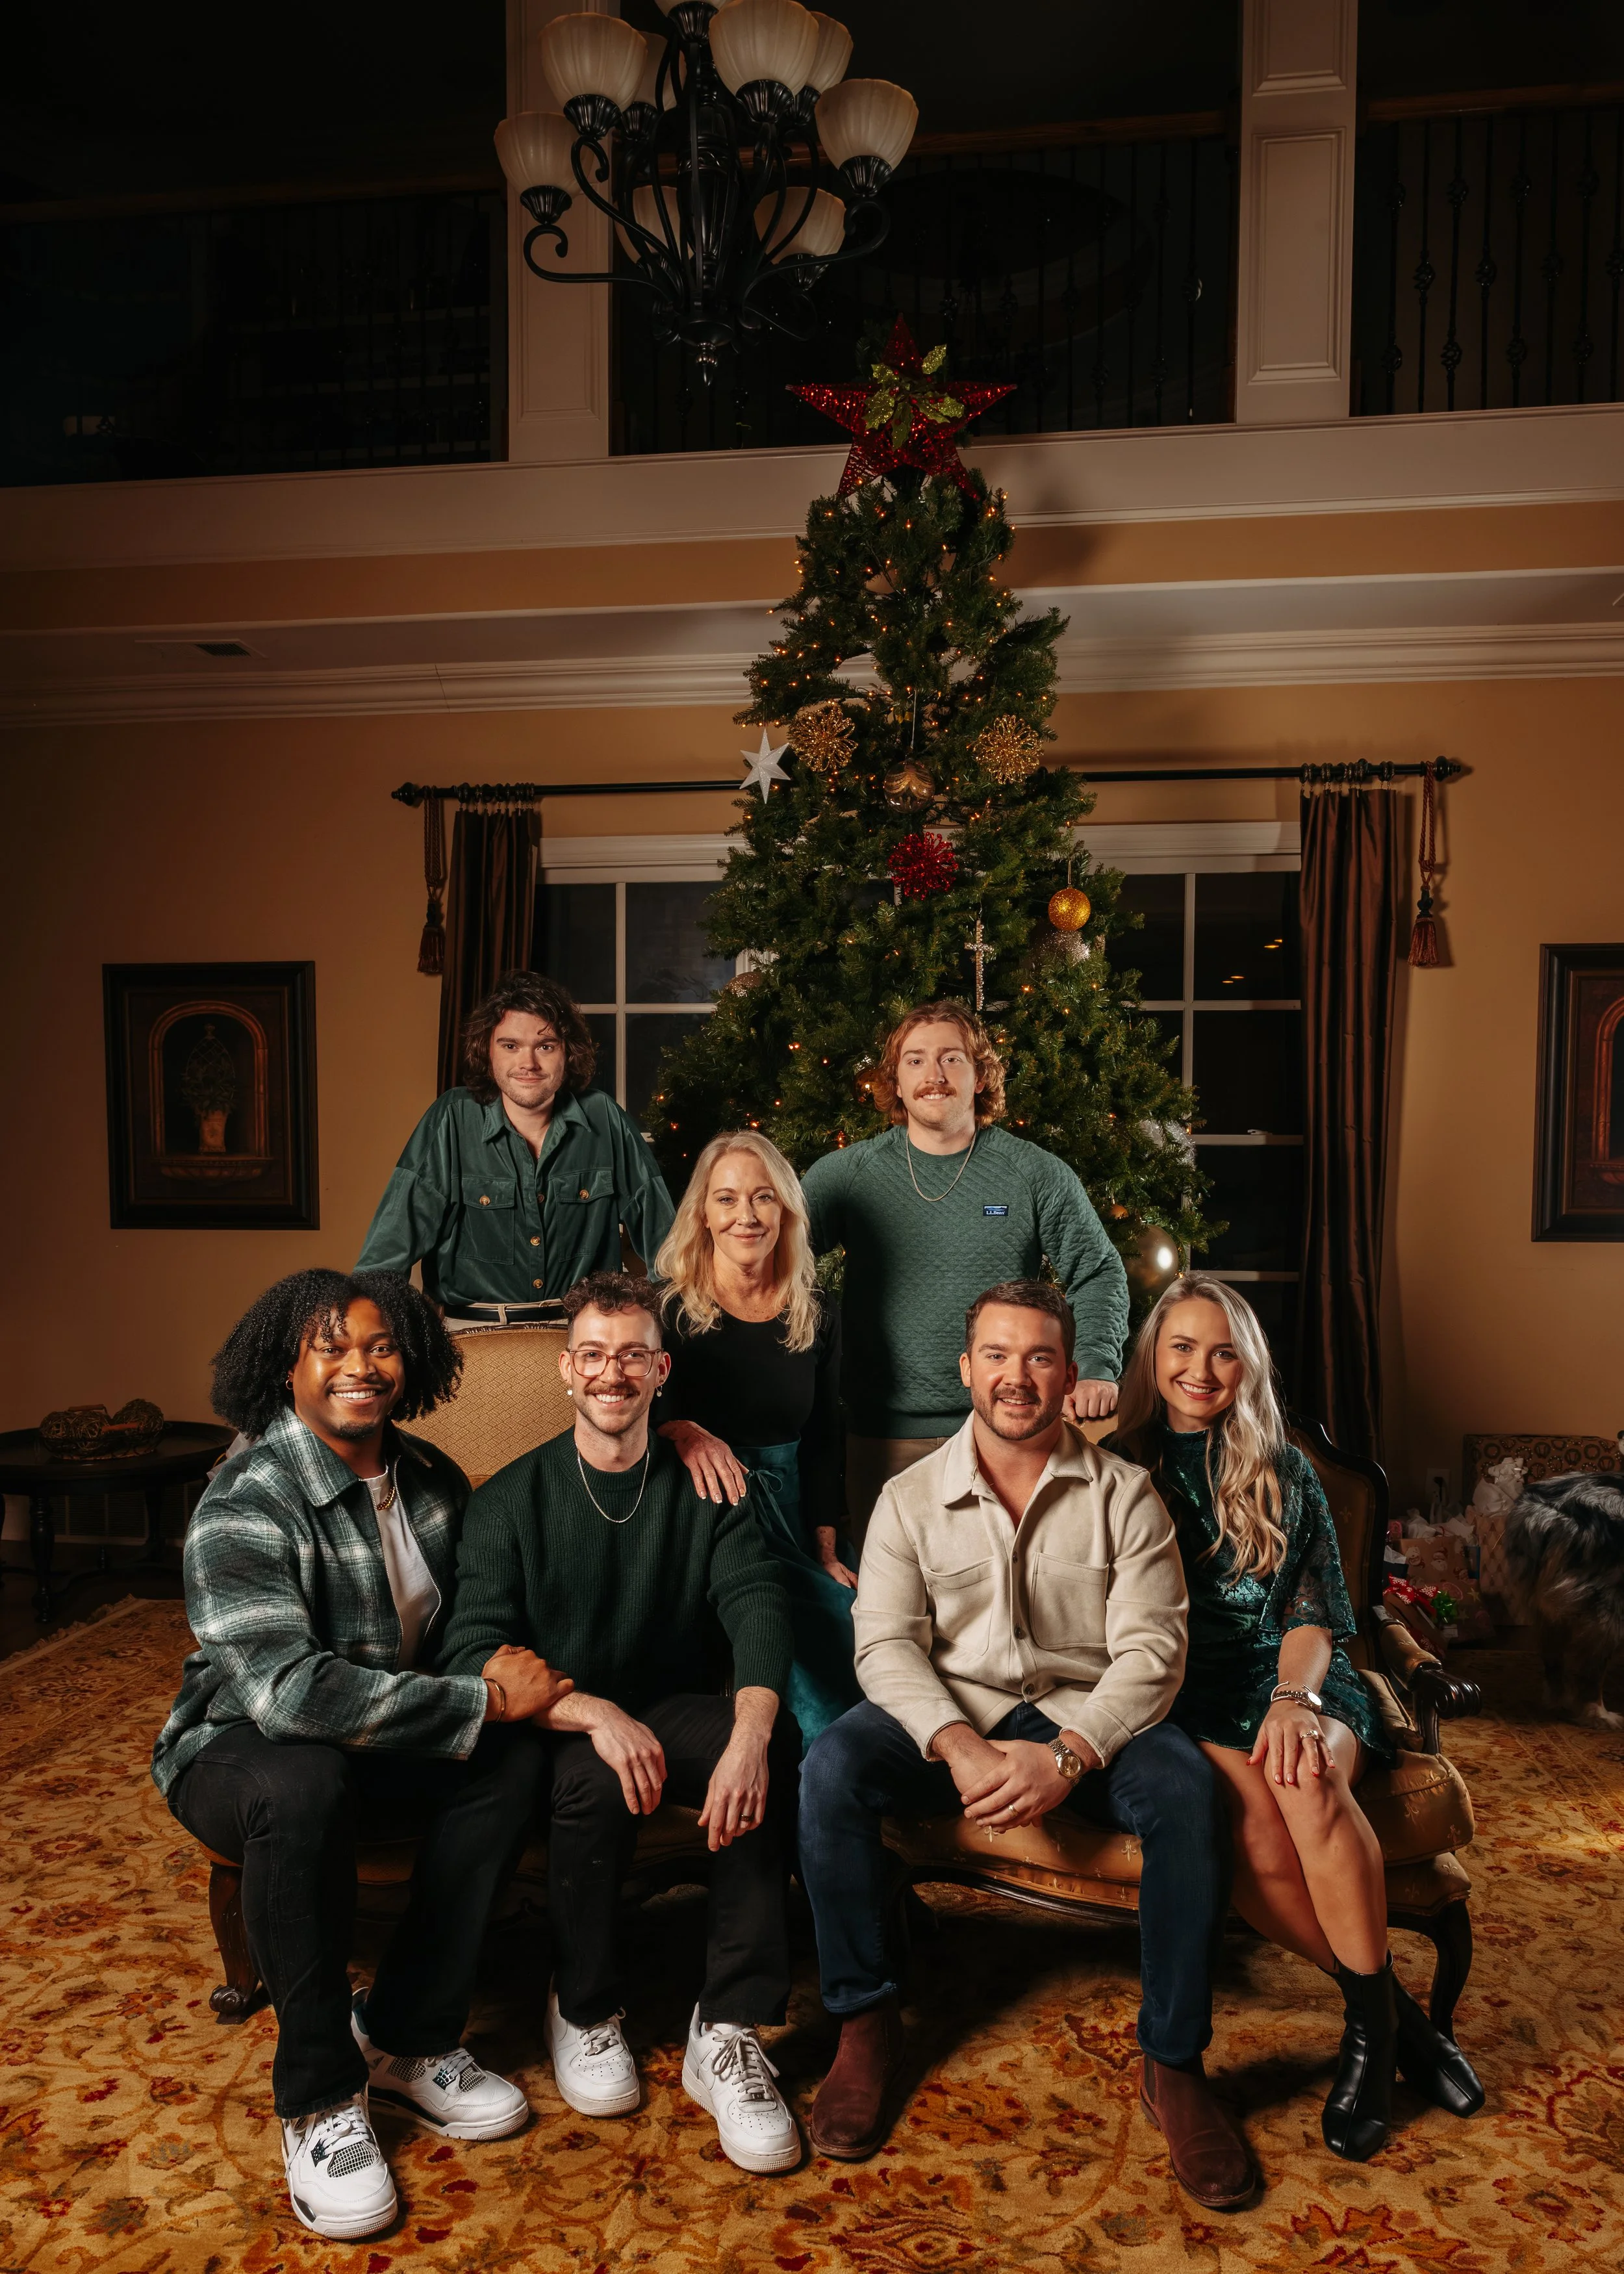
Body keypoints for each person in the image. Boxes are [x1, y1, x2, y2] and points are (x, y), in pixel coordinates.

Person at [797, 1279, 1255, 2210]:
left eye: (1039, 1357)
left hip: (1089, 1722)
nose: (1018, 1378)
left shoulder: (1126, 1497)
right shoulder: (909, 1498)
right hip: (950, 1717)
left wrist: (1072, 1753)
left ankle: (1174, 2063)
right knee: (831, 1767)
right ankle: (866, 2021)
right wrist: (958, 1744)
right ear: (967, 1369)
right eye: (998, 1356)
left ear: (1068, 1373)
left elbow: (1155, 1653)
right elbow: (883, 1646)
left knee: (1186, 1793)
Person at [153, 1270, 572, 2242]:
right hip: (240, 1751)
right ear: (284, 1368)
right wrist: (477, 1699)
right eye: (330, 1347)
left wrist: (502, 1695)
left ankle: (405, 2036)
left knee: (510, 1759)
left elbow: (477, 1618)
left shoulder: (429, 1479)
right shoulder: (242, 1499)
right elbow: (288, 1695)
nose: (360, 1366)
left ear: (410, 1359)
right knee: (303, 1781)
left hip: (384, 1733)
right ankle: (317, 2099)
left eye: (380, 1346)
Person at [437, 1270, 804, 2175]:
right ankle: (586, 2007)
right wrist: (592, 1712)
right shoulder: (511, 1501)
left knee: (766, 1742)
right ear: (567, 1369)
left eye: (632, 1355)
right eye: (594, 1356)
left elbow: (757, 1602)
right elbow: (471, 1649)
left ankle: (727, 2026)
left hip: (670, 1702)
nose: (612, 1374)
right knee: (595, 1774)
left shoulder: (707, 1484)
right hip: (561, 1723)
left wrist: (752, 1733)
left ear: (660, 1368)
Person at [1111, 1272, 1484, 2162]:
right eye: (1182, 1348)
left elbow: (1314, 1618)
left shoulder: (1283, 1467)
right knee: (1252, 1831)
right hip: (1188, 1695)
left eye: (1223, 1351)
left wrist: (1295, 1701)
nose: (1201, 1369)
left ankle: (1367, 2042)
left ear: (1248, 1366)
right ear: (1153, 1360)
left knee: (1306, 1776)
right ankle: (1394, 2021)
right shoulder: (1123, 1465)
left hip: (1297, 1676)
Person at [802, 1000, 1130, 1550]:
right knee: (891, 1611)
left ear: (980, 1076)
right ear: (895, 1083)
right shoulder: (844, 1177)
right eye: (915, 1061)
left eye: (952, 1059)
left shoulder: (1034, 1174)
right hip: (881, 1440)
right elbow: (772, 1270)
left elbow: (1099, 1271)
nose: (934, 1076)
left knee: (1005, 1606)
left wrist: (1096, 1364)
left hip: (1006, 1433)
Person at [652, 1128, 861, 1749]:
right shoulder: (667, 1311)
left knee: (850, 1618)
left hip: (795, 1510)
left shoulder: (816, 1309)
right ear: (703, 1217)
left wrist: (825, 1548)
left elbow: (825, 1436)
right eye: (727, 1199)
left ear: (786, 1212)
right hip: (702, 1515)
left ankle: (840, 1773)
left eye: (764, 1198)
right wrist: (681, 1428)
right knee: (772, 1624)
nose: (746, 1215)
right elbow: (638, 1415)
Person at [357, 969, 675, 1325]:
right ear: (487, 1051)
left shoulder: (604, 1118)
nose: (528, 1064)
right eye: (511, 1046)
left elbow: (670, 1250)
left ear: (568, 1054)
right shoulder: (452, 1118)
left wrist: (663, 1329)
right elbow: (382, 1263)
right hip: (471, 1337)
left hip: (586, 1338)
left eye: (546, 1046)